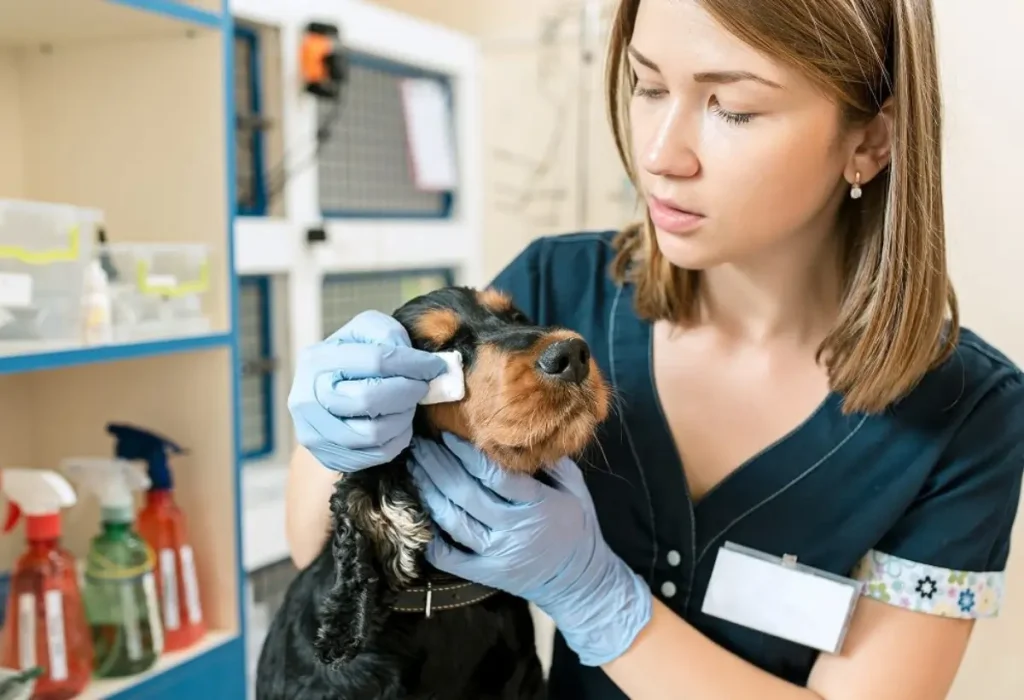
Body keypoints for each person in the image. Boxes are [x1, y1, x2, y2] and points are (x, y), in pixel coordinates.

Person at [284, 0, 1024, 697]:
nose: (661, 155)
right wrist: (335, 438)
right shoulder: (555, 288)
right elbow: (310, 543)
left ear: (869, 140)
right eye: (645, 86)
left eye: (731, 106)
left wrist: (602, 603)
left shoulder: (969, 418)